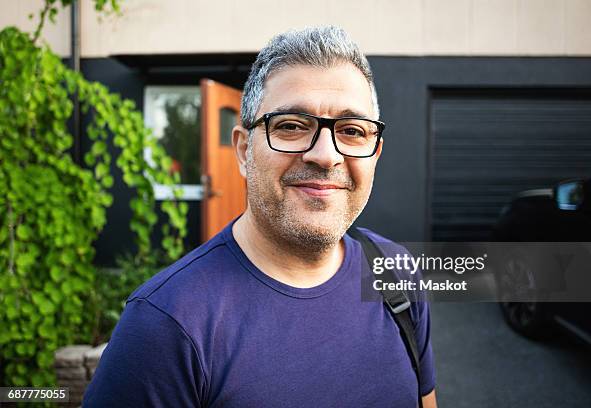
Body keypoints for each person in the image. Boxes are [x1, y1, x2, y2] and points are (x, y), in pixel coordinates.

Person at [83, 25, 437, 408]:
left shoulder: (395, 270)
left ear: (375, 154)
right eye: (290, 126)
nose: (326, 155)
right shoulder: (166, 325)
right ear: (242, 150)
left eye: (352, 131)